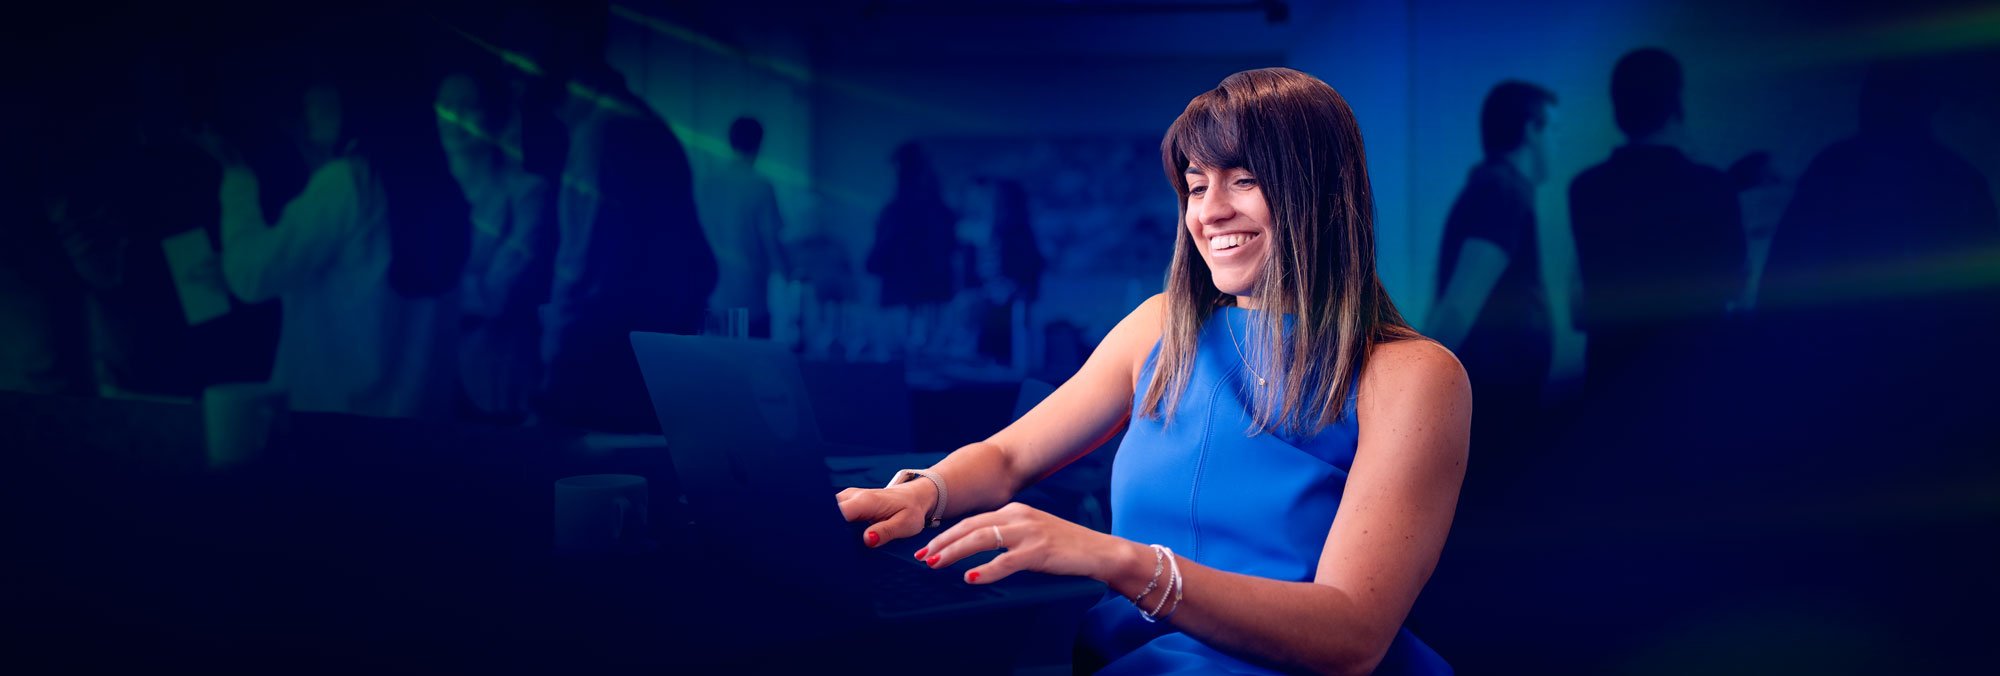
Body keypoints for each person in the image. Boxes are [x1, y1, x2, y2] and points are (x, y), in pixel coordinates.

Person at [836, 67, 1465, 674]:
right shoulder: (1161, 326)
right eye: (1196, 186)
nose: (1209, 212)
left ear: (1323, 193)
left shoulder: (1411, 375)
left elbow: (1350, 639)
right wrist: (921, 493)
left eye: (1243, 180)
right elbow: (1007, 459)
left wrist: (1119, 561)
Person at [202, 36, 468, 419]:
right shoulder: (443, 188)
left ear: (360, 92)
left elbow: (251, 276)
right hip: (419, 427)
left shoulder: (348, 181)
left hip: (333, 426)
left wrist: (237, 178)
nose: (308, 97)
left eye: (323, 81)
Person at [505, 3, 715, 431]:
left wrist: (552, 378)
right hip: (646, 371)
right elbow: (700, 265)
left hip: (601, 378)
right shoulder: (638, 121)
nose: (513, 72)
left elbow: (582, 276)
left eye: (521, 50)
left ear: (558, 46)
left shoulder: (600, 136)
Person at [1567, 48, 1747, 392]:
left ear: (1617, 107)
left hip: (1613, 379)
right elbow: (1735, 284)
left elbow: (1583, 297)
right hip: (1696, 375)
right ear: (1676, 103)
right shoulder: (1714, 185)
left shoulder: (1585, 188)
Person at [1426, 80, 1556, 494]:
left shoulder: (1493, 189)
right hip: (1498, 402)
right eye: (1551, 129)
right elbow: (1458, 307)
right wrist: (1414, 396)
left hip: (1497, 397)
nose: (1554, 143)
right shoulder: (1502, 193)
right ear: (1532, 129)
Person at [438, 67, 555, 423]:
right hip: (422, 369)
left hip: (494, 368)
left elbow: (498, 295)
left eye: (468, 105)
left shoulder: (526, 191)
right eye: (444, 104)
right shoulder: (420, 194)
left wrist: (433, 296)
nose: (454, 116)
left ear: (495, 116)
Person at [698, 116, 789, 338]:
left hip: (713, 297)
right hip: (751, 301)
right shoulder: (760, 186)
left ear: (730, 141)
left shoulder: (707, 184)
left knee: (715, 369)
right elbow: (772, 241)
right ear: (760, 143)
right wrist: (789, 276)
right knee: (752, 369)